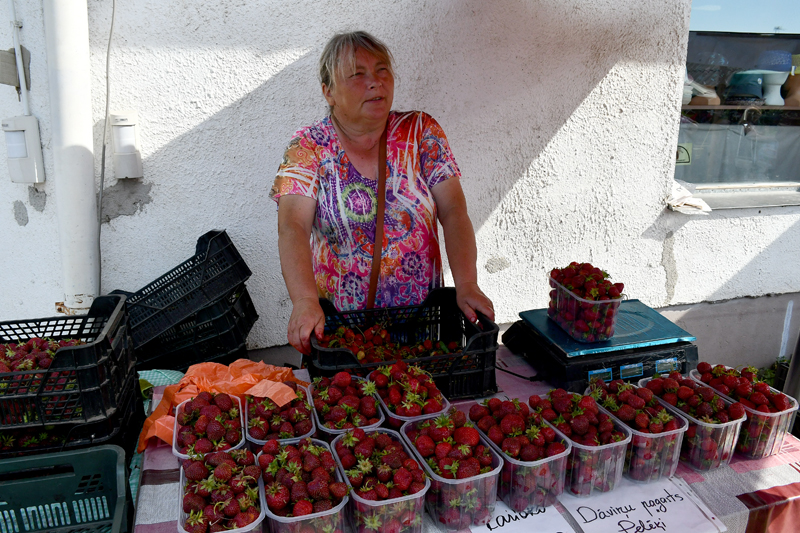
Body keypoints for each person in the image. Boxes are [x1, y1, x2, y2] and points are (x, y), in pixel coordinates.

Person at [271, 31, 493, 354]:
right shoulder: (308, 147)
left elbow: (454, 211)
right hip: (341, 340)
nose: (375, 82)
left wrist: (468, 284)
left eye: (382, 70)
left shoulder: (421, 132)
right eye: (358, 74)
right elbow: (292, 226)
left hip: (424, 332)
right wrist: (304, 300)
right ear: (328, 91)